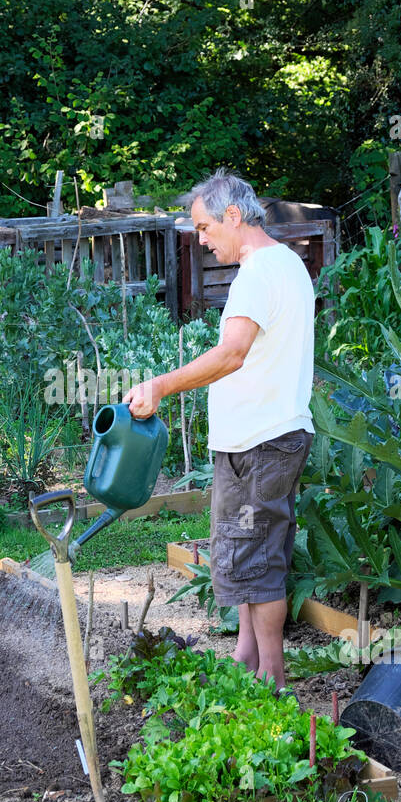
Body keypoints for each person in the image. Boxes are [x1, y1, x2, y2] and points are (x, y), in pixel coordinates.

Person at [124, 169, 314, 691]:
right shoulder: (288, 265)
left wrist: (160, 386)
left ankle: (271, 679)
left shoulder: (258, 273)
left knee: (255, 558)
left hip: (260, 444)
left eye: (205, 228)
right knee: (251, 550)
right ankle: (247, 657)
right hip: (271, 440)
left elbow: (233, 354)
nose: (202, 240)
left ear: (233, 216)